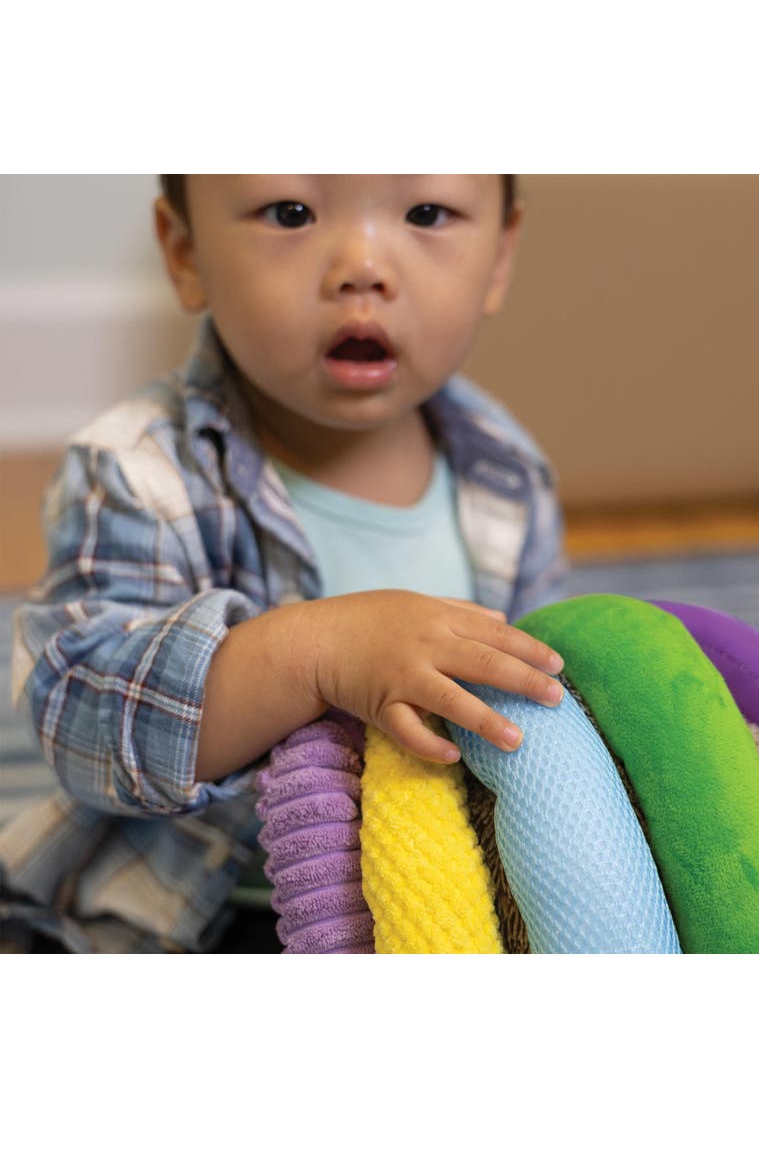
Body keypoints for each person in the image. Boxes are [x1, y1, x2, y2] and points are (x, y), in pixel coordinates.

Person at [1, 175, 568, 953]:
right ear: (186, 252)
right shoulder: (139, 472)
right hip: (194, 914)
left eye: (426, 214)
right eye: (290, 213)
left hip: (427, 907)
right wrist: (314, 655)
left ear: (499, 256)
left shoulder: (507, 472)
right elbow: (81, 716)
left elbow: (530, 695)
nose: (363, 266)